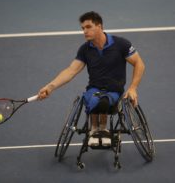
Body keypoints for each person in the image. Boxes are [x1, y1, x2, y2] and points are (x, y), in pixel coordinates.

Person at [38, 11, 145, 146]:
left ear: (99, 26)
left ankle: (103, 129)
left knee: (104, 102)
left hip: (114, 90)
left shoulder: (121, 44)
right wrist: (50, 87)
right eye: (83, 28)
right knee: (95, 100)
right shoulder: (85, 49)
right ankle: (95, 130)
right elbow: (71, 71)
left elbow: (139, 63)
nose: (85, 31)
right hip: (93, 89)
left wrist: (133, 88)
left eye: (88, 27)